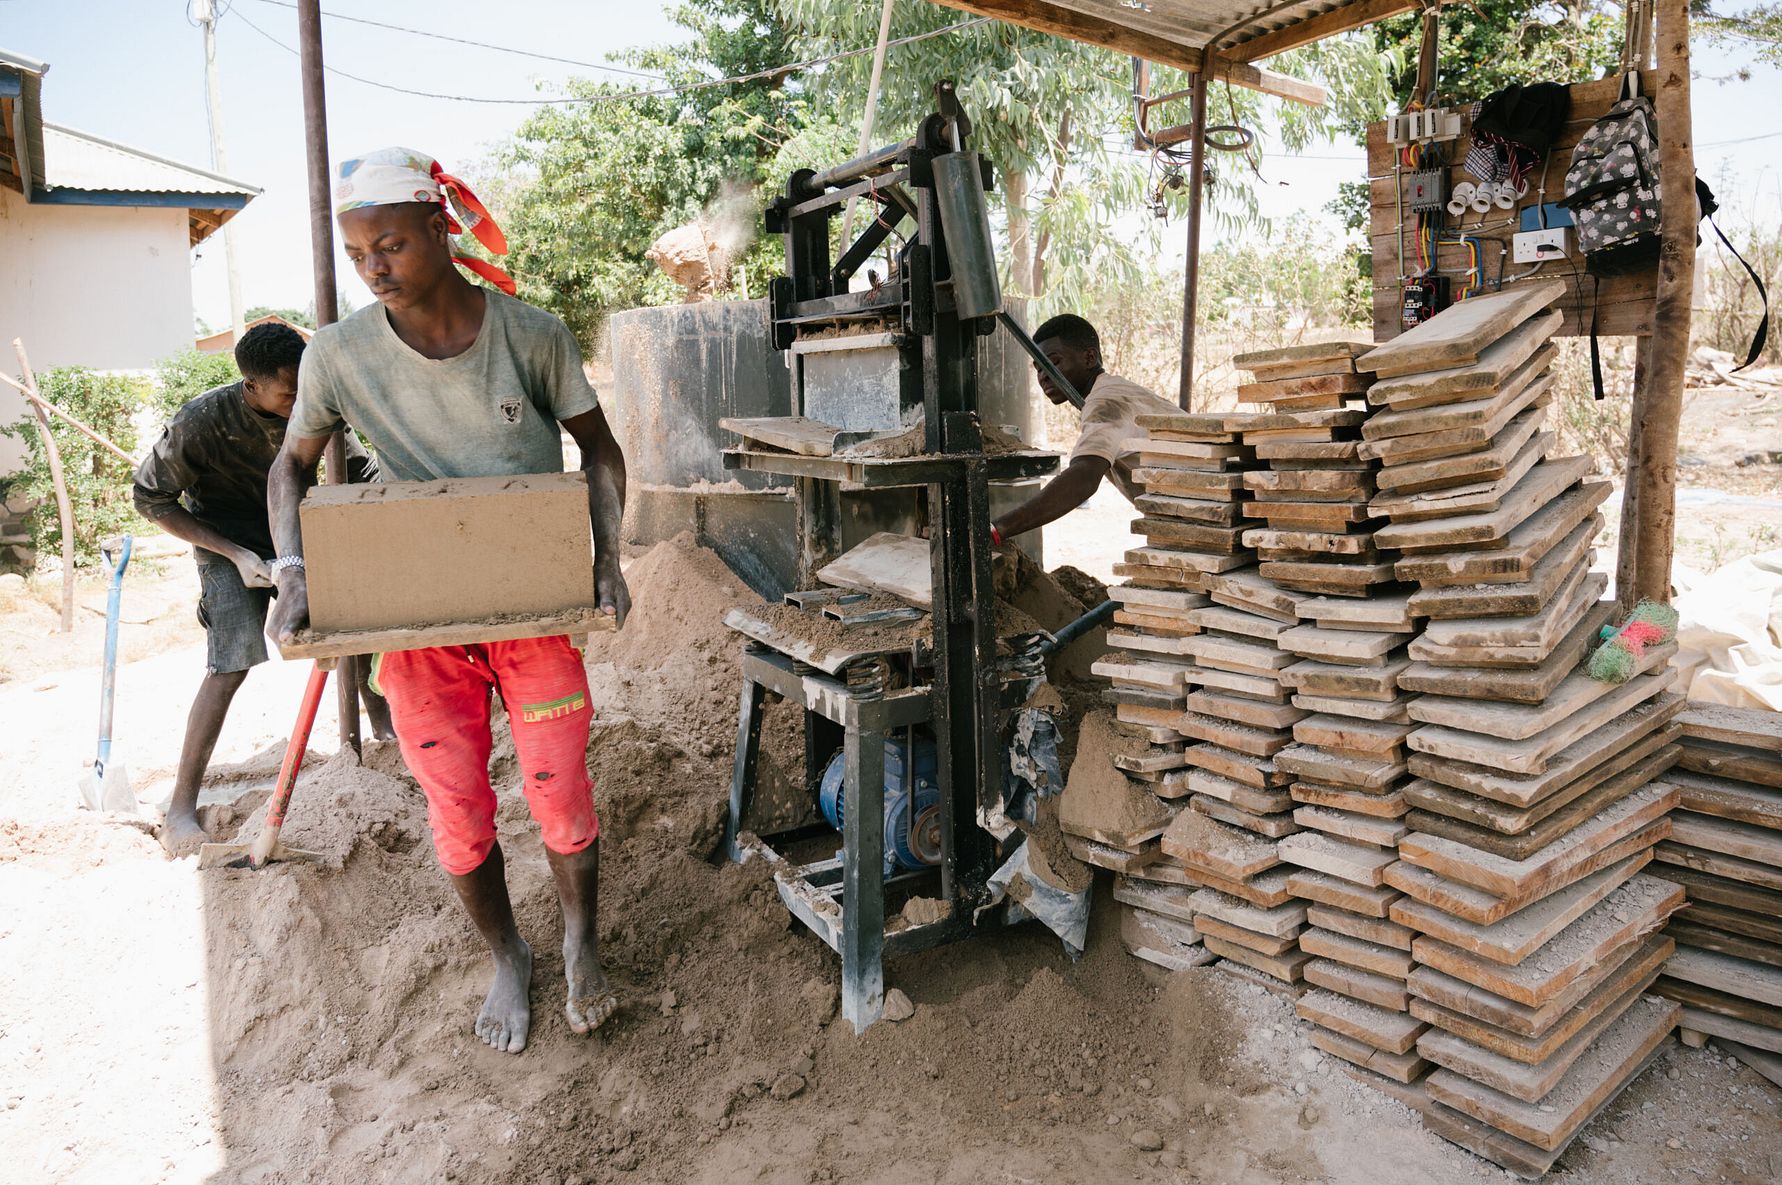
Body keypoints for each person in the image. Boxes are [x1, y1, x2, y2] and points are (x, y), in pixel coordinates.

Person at [266, 148, 631, 1055]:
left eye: (390, 244)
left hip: (532, 606)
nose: (374, 267)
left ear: (440, 228)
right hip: (417, 617)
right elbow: (290, 468)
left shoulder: (532, 335)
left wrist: (608, 561)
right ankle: (509, 956)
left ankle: (580, 942)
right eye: (358, 254)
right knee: (458, 810)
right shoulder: (339, 355)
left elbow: (600, 449)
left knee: (559, 790)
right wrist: (293, 568)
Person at [133, 322, 390, 858]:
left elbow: (363, 471)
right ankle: (181, 808)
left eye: (304, 390)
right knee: (230, 664)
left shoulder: (317, 407)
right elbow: (150, 498)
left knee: (353, 630)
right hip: (228, 541)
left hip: (298, 533)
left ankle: (384, 736)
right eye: (288, 394)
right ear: (251, 386)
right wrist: (237, 555)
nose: (300, 403)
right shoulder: (200, 422)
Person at [989, 314, 1182, 544]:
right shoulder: (1117, 390)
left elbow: (1083, 479)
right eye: (1038, 369)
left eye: (1053, 363)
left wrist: (996, 530)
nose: (1043, 377)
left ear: (1090, 358)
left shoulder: (1106, 402)